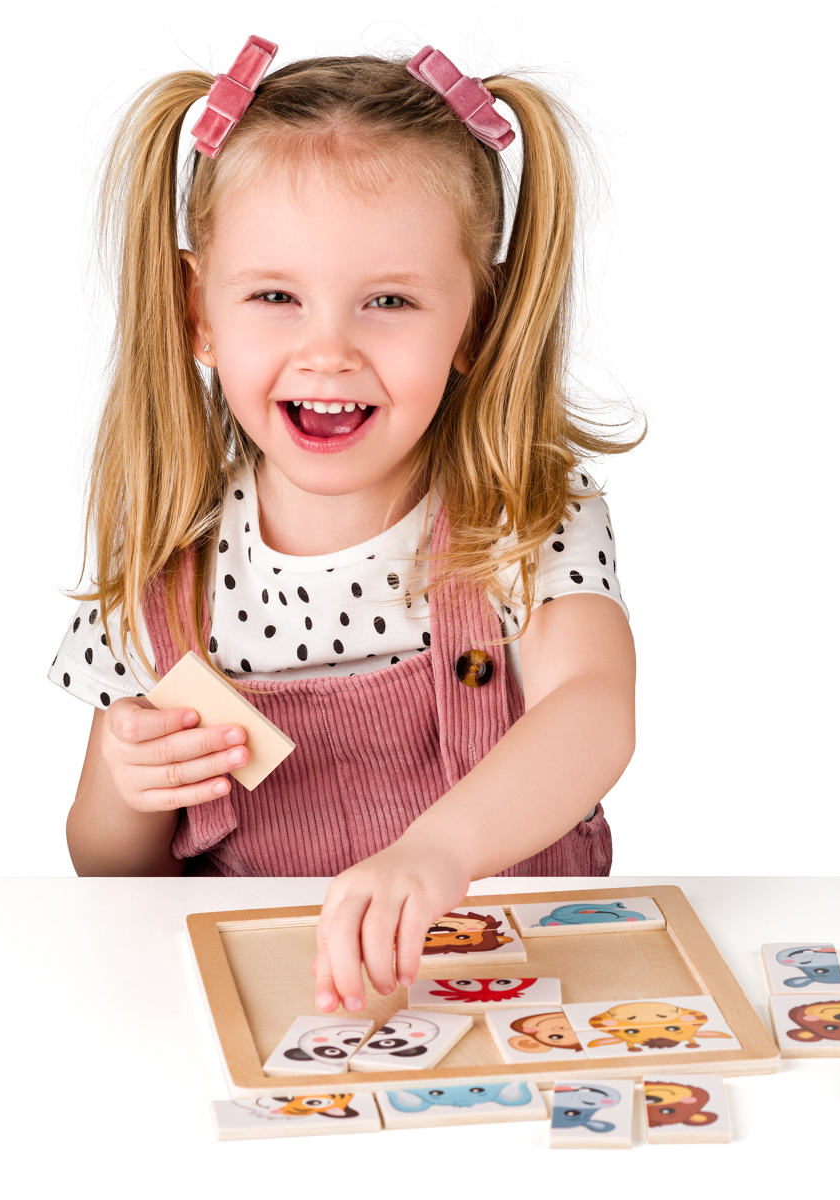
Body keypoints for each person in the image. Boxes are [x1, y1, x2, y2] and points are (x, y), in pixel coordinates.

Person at [51, 38, 641, 1012]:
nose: (327, 350)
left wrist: (438, 851)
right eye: (275, 297)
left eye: (389, 301)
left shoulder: (527, 517)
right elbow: (109, 875)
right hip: (283, 1009)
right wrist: (127, 781)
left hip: (520, 994)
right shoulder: (165, 568)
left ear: (477, 322)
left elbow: (594, 710)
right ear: (199, 311)